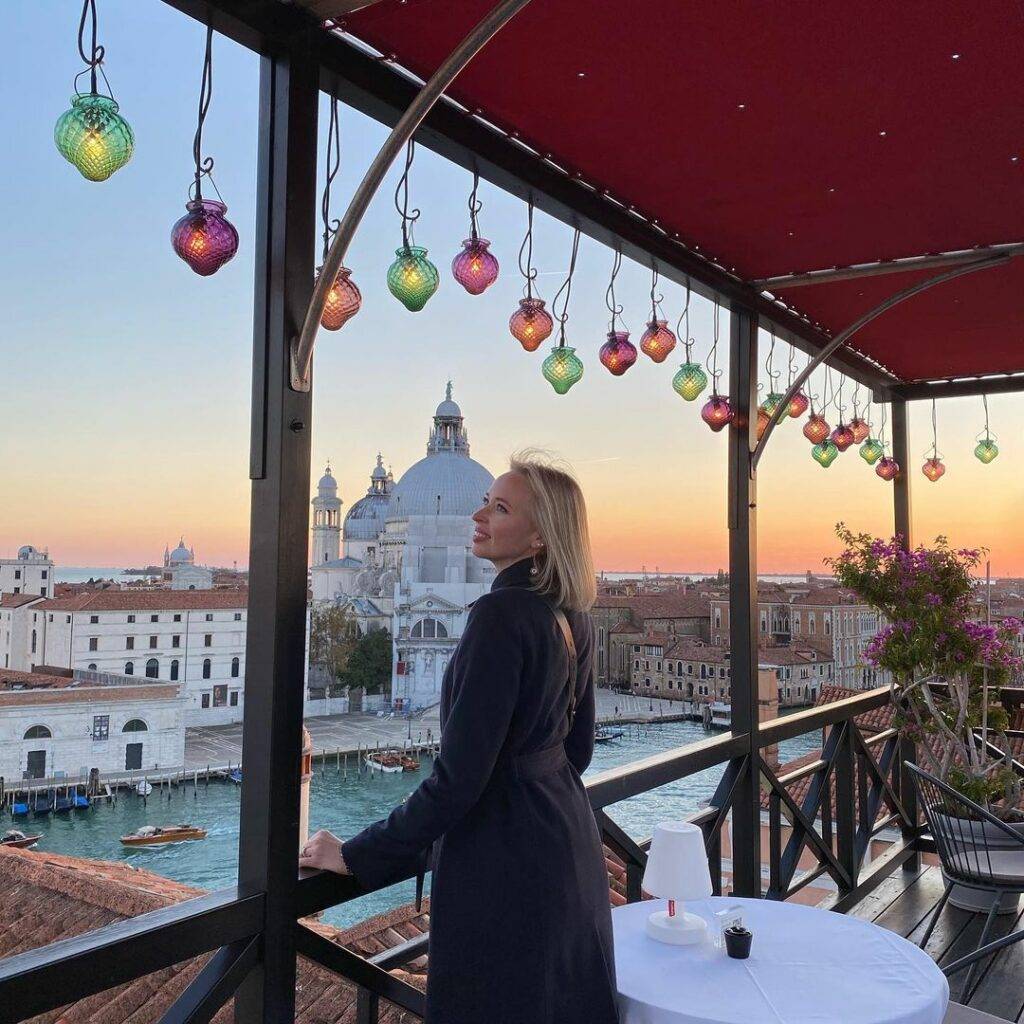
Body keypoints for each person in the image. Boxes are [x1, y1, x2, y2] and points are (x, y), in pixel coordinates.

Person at [300, 452, 619, 1024]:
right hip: (567, 845)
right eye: (485, 502)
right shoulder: (575, 613)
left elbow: (456, 783)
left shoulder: (499, 617)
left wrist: (355, 854)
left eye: (498, 508)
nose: (478, 515)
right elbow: (580, 751)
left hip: (505, 867)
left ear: (542, 537)